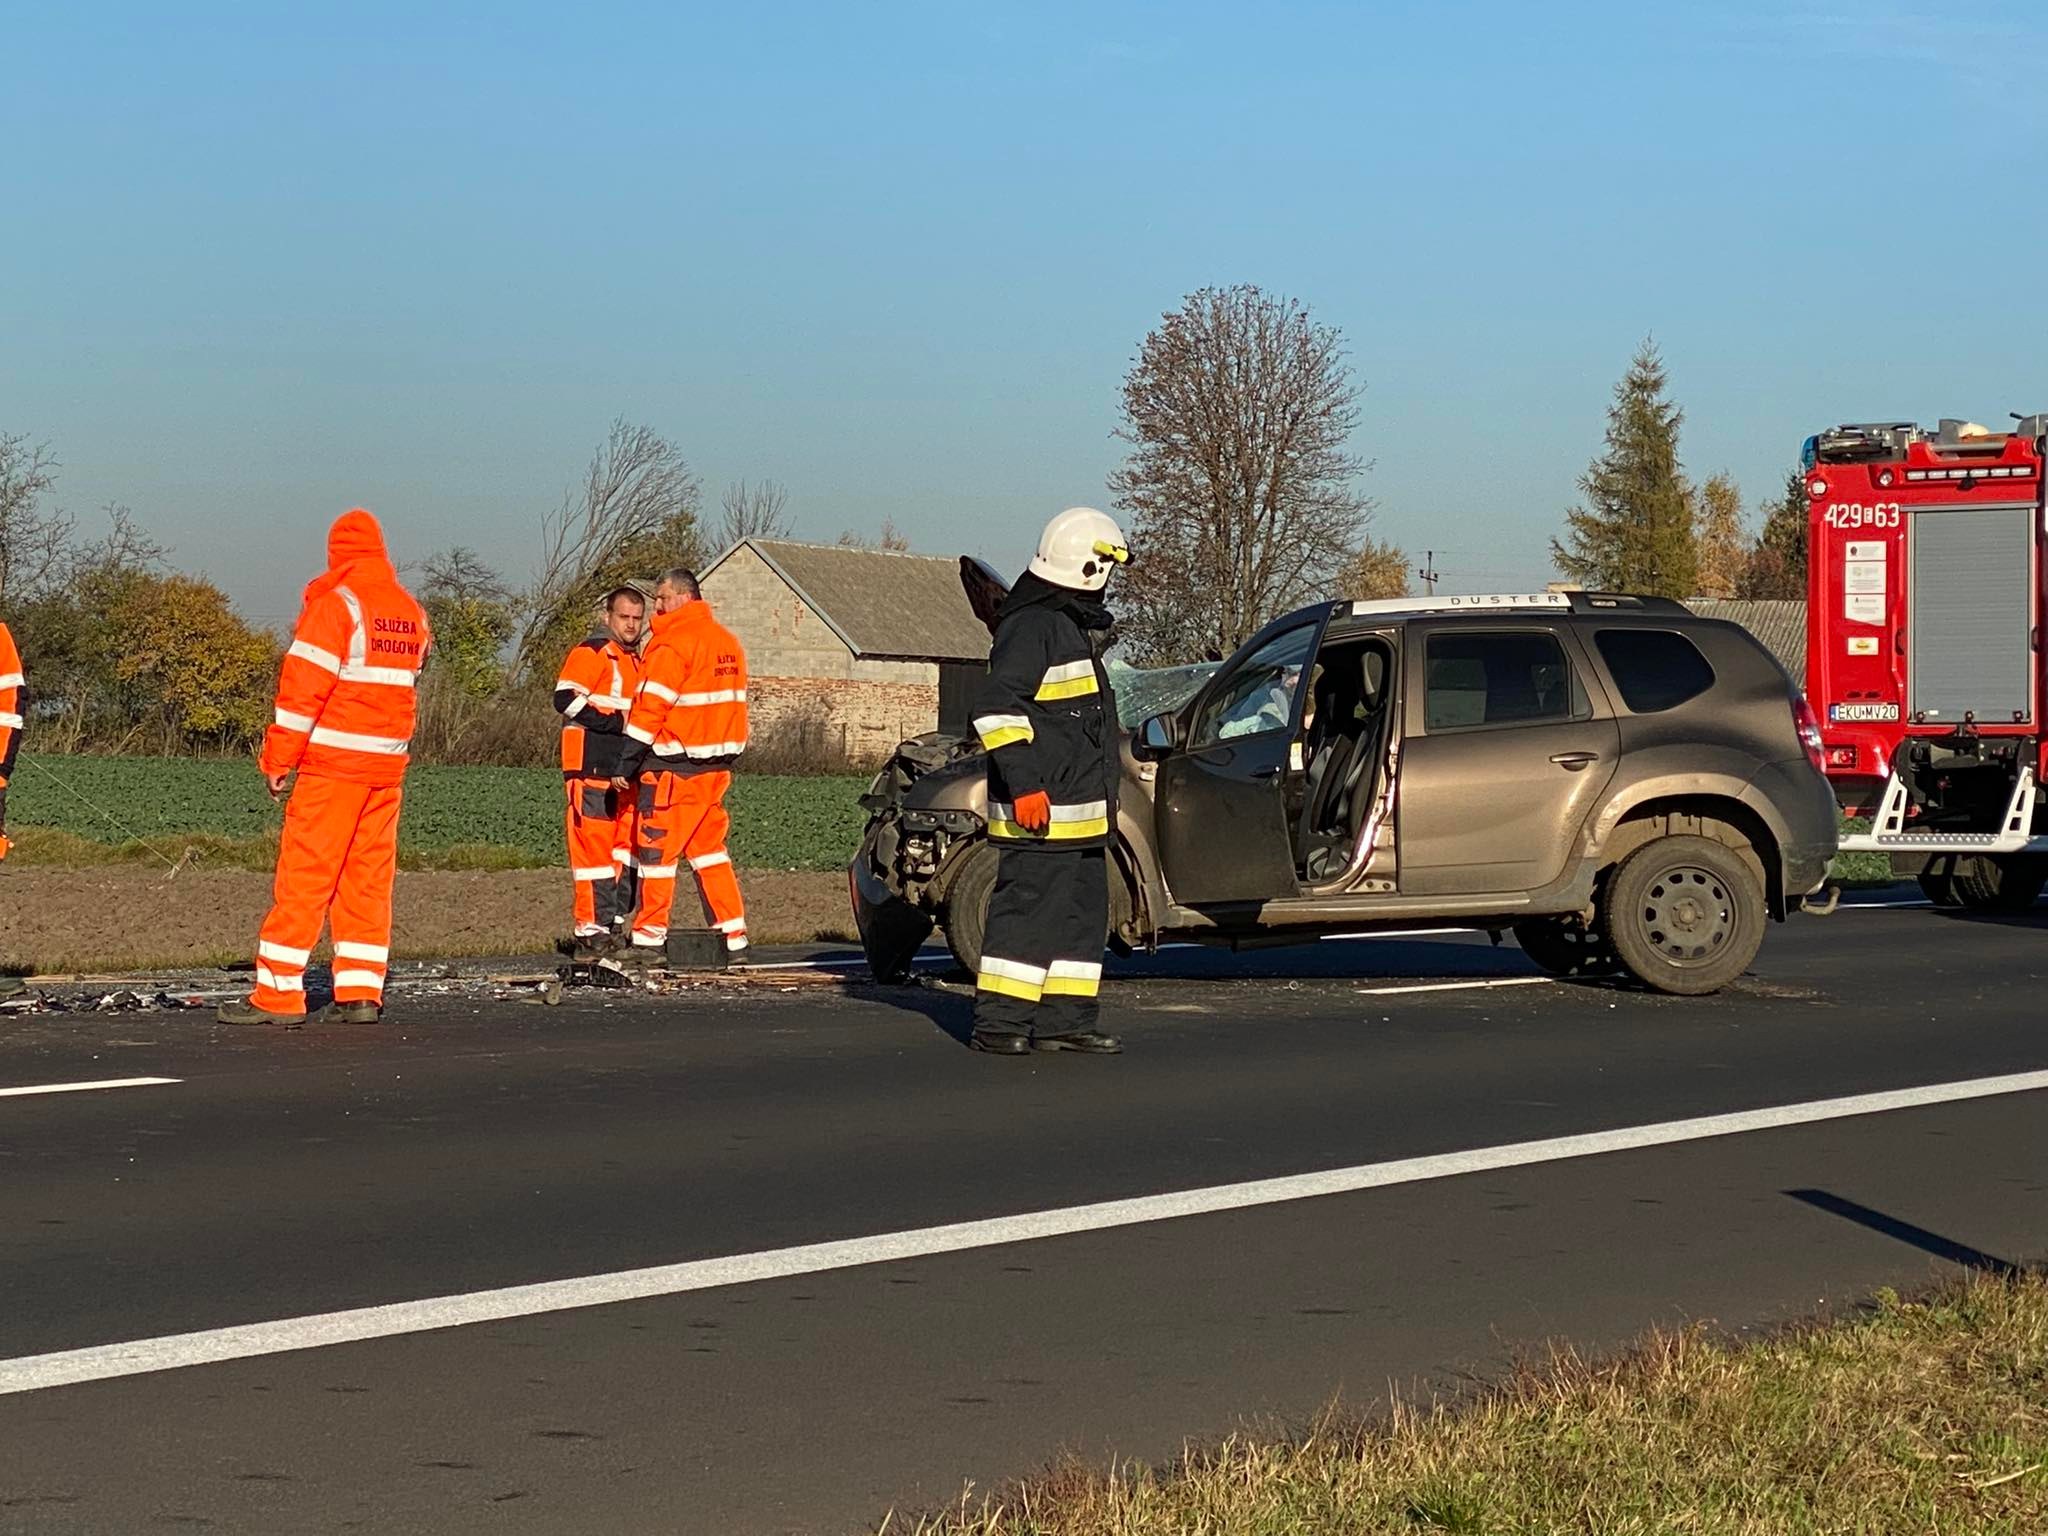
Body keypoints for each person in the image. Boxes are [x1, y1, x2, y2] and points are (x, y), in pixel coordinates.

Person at [218, 510, 430, 1026]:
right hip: (386, 770)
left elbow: (300, 694)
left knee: (306, 877)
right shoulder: (411, 611)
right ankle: (360, 993)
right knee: (368, 880)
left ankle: (277, 995)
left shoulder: (337, 606)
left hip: (333, 767)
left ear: (337, 553)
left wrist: (277, 759)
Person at [967, 506, 1130, 1056]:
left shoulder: (1066, 627)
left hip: (1079, 815)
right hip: (1042, 811)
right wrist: (1025, 786)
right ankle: (1000, 1022)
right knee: (1027, 918)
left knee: (1080, 920)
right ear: (1091, 567)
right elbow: (995, 709)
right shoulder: (1034, 626)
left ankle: (1065, 1021)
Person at [615, 567, 750, 962]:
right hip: (716, 771)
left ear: (683, 597)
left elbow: (649, 710)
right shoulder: (727, 643)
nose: (655, 607)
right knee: (710, 855)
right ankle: (733, 937)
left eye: (661, 598)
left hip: (673, 768)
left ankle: (648, 938)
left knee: (657, 854)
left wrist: (626, 764)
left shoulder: (672, 644)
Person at [554, 584, 647, 959]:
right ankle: (590, 932)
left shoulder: (633, 660)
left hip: (620, 771)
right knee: (593, 854)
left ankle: (610, 924)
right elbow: (565, 699)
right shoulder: (592, 652)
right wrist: (615, 721)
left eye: (636, 619)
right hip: (590, 767)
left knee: (622, 851)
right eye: (624, 617)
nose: (630, 625)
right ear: (607, 617)